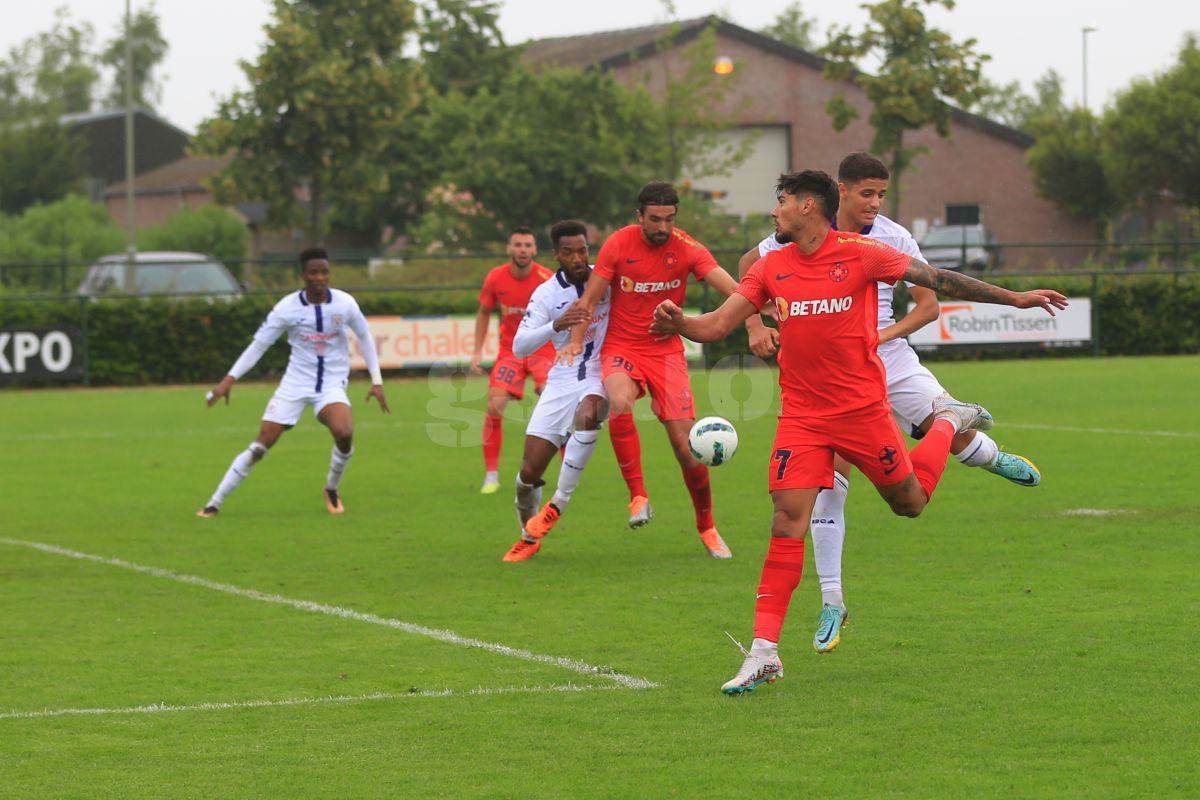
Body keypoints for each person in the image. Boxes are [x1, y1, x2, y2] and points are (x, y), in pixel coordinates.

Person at [648, 170, 1066, 694]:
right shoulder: (770, 268)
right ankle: (764, 654)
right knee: (785, 520)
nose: (773, 212)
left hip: (863, 412)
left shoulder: (863, 253)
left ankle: (948, 422)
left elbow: (939, 280)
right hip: (801, 418)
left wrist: (1015, 297)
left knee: (910, 503)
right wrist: (678, 323)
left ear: (807, 207)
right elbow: (715, 325)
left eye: (780, 203)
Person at [736, 152, 1043, 655]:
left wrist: (882, 335)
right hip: (831, 372)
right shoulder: (802, 228)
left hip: (887, 356)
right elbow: (752, 267)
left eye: (882, 194)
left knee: (945, 428)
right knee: (826, 481)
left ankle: (987, 453)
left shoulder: (893, 237)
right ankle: (832, 600)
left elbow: (929, 304)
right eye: (866, 194)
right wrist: (756, 320)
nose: (876, 203)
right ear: (841, 191)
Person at [560, 181, 740, 558]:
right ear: (639, 215)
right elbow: (590, 298)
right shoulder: (618, 244)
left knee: (686, 448)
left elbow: (729, 286)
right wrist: (576, 339)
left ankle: (707, 527)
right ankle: (638, 497)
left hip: (666, 353)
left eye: (669, 220)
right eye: (655, 219)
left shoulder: (686, 247)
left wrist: (756, 314)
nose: (662, 227)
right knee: (619, 401)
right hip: (622, 347)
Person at [197, 247, 388, 517]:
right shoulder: (286, 308)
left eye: (324, 272)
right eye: (314, 272)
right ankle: (214, 503)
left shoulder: (345, 303)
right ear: (303, 275)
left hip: (331, 385)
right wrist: (229, 380)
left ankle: (331, 488)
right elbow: (258, 346)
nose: (320, 277)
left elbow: (365, 337)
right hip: (295, 385)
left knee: (344, 433)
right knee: (262, 444)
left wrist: (376, 381)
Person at [501, 220, 611, 562]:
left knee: (589, 414)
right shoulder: (547, 294)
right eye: (569, 252)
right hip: (561, 379)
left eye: (583, 249)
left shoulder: (606, 280)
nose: (578, 257)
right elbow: (519, 346)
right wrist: (555, 325)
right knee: (528, 475)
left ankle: (556, 505)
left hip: (600, 372)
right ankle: (528, 535)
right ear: (556, 255)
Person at [470, 227, 556, 494]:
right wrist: (477, 351)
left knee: (556, 407)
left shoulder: (547, 279)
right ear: (509, 249)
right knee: (494, 407)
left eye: (527, 245)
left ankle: (565, 471)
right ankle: (491, 476)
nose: (522, 249)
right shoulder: (496, 277)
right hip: (511, 352)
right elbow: (484, 312)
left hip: (543, 351)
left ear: (534, 250)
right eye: (517, 244)